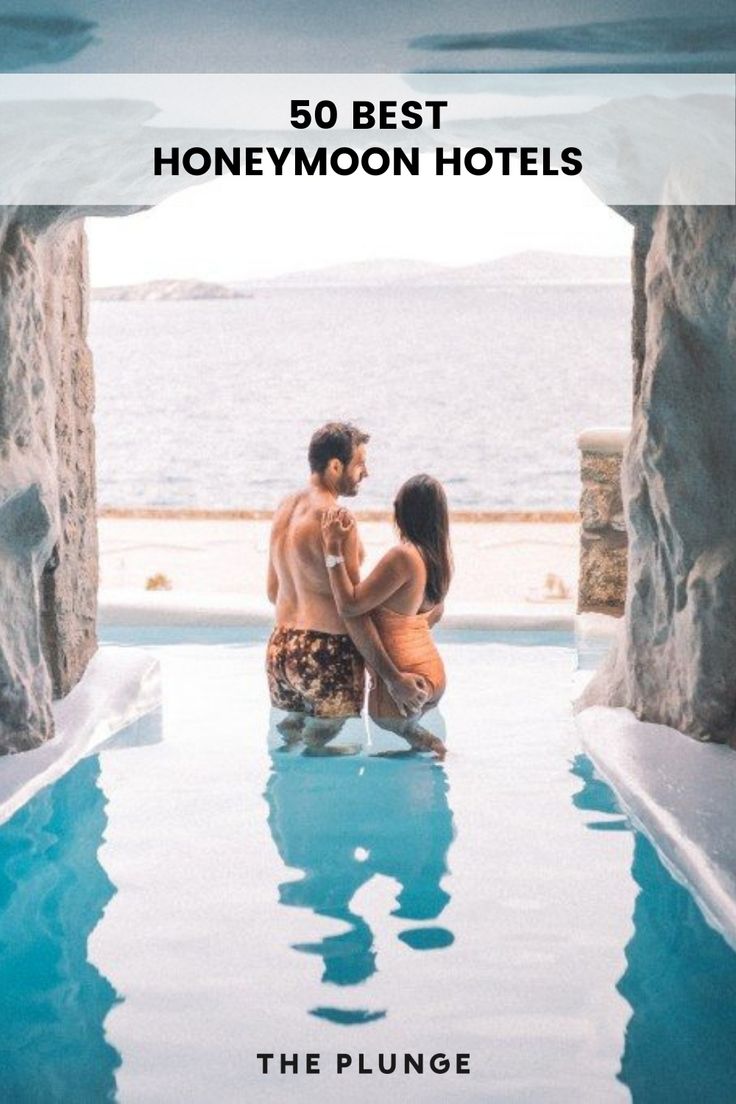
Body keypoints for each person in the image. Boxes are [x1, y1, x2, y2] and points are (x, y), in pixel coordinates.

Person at [266, 422, 428, 744]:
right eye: (360, 464)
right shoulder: (338, 520)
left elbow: (273, 592)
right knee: (330, 756)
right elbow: (351, 610)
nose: (365, 473)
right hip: (326, 654)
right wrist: (392, 678)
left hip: (280, 649)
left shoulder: (284, 508)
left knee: (293, 740)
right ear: (336, 466)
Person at [321, 473, 452, 758]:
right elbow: (431, 617)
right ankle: (427, 744)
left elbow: (349, 606)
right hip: (431, 679)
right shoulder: (440, 561)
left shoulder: (404, 557)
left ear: (402, 512)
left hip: (401, 688)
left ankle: (430, 745)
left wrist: (332, 548)